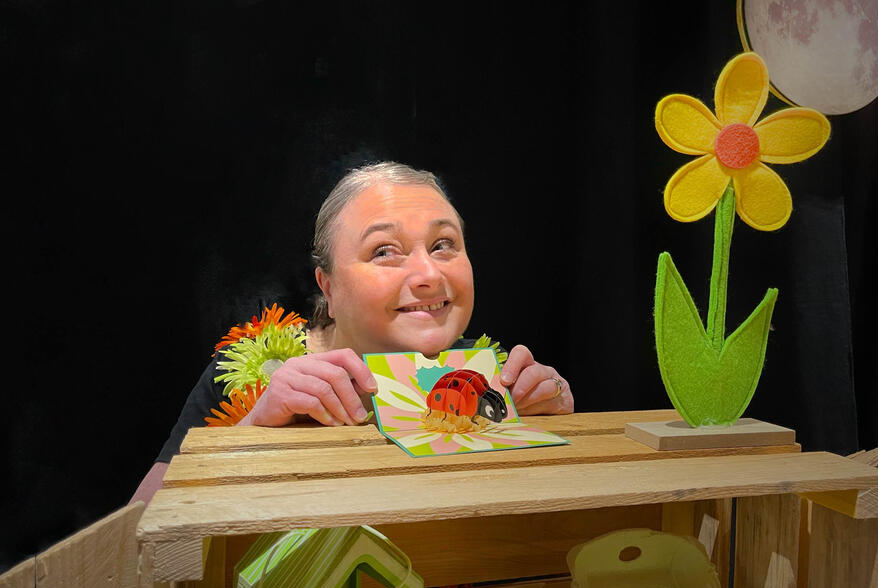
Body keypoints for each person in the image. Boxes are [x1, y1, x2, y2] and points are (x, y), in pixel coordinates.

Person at [130, 162, 574, 504]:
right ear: (329, 287)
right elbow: (139, 531)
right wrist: (254, 428)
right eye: (384, 251)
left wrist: (556, 416)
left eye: (443, 245)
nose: (428, 274)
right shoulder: (245, 370)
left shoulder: (492, 382)